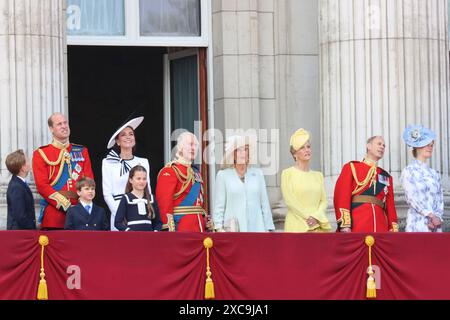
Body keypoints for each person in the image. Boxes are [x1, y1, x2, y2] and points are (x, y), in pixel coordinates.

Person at [33, 113, 94, 230]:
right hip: (54, 217)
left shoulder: (82, 151)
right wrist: (65, 205)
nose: (64, 126)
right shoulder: (41, 153)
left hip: (80, 215)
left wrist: (81, 208)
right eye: (59, 124)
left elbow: (89, 181)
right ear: (51, 129)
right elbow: (42, 186)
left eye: (65, 123)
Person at [334, 136, 399, 233]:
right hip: (358, 223)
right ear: (368, 146)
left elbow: (390, 206)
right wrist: (345, 224)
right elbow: (342, 196)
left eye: (384, 145)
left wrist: (393, 228)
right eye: (379, 144)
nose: (382, 147)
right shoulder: (352, 167)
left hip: (381, 225)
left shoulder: (386, 176)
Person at [212, 135, 275, 232]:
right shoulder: (223, 175)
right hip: (233, 232)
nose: (242, 153)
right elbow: (219, 206)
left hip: (257, 230)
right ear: (233, 154)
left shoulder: (258, 174)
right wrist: (219, 228)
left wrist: (270, 229)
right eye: (238, 150)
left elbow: (265, 204)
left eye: (245, 149)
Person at [102, 116, 152, 231]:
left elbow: (148, 190)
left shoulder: (143, 162)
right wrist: (120, 215)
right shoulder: (108, 162)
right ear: (117, 141)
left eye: (131, 134)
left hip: (140, 213)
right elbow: (107, 194)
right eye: (123, 135)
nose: (128, 137)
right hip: (119, 215)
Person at [156, 131, 211, 232]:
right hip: (181, 227)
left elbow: (199, 204)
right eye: (190, 144)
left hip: (200, 227)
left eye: (196, 145)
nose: (193, 148)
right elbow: (164, 203)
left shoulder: (196, 172)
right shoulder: (170, 171)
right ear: (180, 147)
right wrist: (168, 227)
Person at [281, 129, 331, 232]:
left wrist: (316, 217)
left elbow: (324, 201)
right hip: (296, 226)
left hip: (317, 225)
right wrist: (308, 217)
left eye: (308, 147)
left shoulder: (318, 176)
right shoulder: (287, 173)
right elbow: (290, 201)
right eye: (302, 148)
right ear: (295, 154)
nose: (307, 150)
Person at [401, 125, 443, 232]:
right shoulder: (409, 171)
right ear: (417, 147)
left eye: (431, 145)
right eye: (427, 144)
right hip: (417, 223)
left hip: (435, 225)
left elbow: (440, 199)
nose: (430, 147)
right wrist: (430, 215)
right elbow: (411, 198)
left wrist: (437, 217)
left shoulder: (435, 173)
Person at [115, 165, 162, 231]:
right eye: (138, 178)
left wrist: (155, 232)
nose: (142, 181)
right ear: (131, 180)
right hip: (132, 238)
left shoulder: (152, 198)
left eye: (144, 179)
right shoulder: (126, 198)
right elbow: (117, 222)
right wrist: (128, 231)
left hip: (149, 238)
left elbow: (158, 222)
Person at [5, 150, 36, 230]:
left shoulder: (19, 183)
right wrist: (32, 227)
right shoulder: (16, 186)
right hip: (19, 233)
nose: (29, 163)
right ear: (22, 167)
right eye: (27, 161)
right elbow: (20, 215)